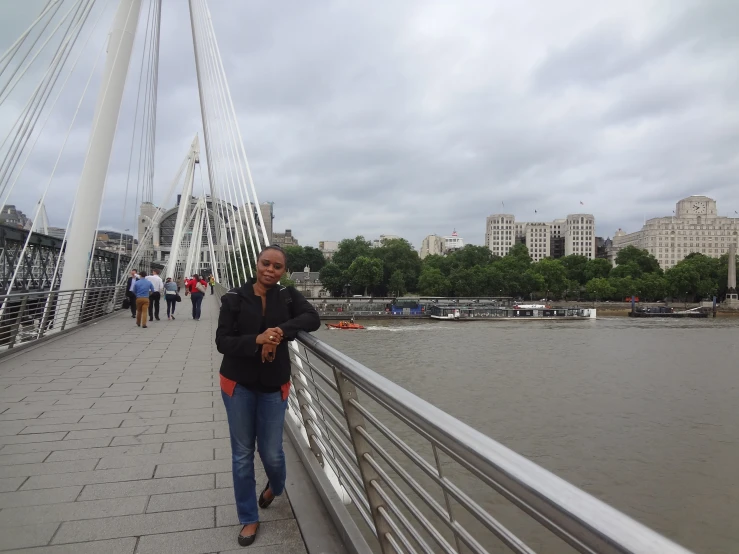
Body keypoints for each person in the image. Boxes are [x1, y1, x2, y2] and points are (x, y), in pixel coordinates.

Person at [216, 246, 320, 547]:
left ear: (283, 271)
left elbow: (312, 319)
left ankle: (275, 486)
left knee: (273, 452)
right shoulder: (233, 298)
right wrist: (257, 340)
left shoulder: (288, 297)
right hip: (238, 383)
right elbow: (223, 341)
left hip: (274, 384)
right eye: (266, 264)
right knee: (242, 453)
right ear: (257, 264)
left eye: (277, 266)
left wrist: (278, 331)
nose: (270, 270)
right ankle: (248, 517)